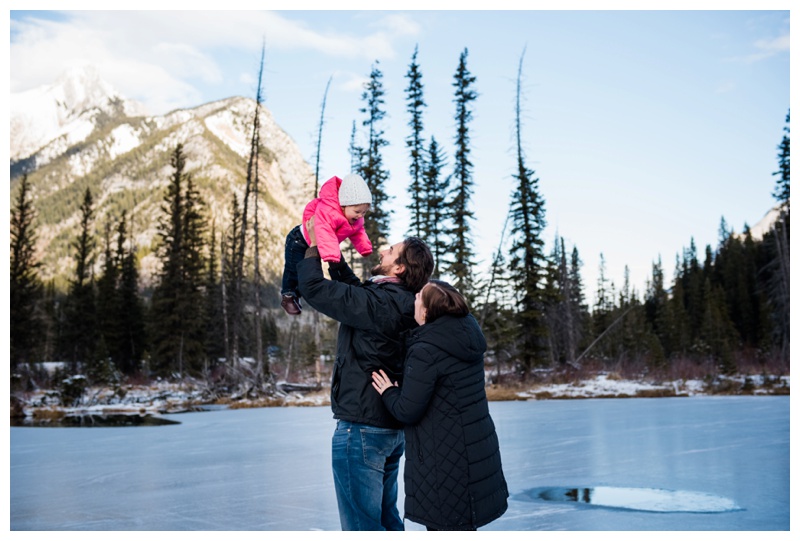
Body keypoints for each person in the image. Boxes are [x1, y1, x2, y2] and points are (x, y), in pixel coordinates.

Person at [296, 216, 434, 531]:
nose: (382, 252)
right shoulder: (403, 303)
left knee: (363, 528)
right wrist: (335, 258)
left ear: (398, 269)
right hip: (389, 429)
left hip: (361, 431)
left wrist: (315, 246)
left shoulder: (379, 304)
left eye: (390, 251)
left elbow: (314, 289)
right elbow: (358, 294)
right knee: (385, 520)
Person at [371, 279, 509, 531]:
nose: (414, 298)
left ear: (425, 311)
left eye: (419, 297)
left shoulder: (427, 350)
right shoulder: (466, 336)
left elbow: (407, 410)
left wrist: (389, 391)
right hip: (475, 452)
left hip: (445, 460)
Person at [280, 173, 373, 315]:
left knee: (305, 273)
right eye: (357, 211)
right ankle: (288, 295)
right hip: (299, 240)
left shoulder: (356, 219)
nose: (360, 216)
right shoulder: (329, 211)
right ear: (344, 205)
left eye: (364, 212)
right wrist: (331, 253)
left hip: (315, 244)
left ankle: (297, 295)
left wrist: (365, 247)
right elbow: (323, 230)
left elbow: (359, 233)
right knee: (293, 269)